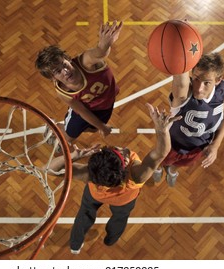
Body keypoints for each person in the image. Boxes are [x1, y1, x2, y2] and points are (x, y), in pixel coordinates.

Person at [44, 103, 181, 254]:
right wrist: (161, 130)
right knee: (120, 219)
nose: (120, 148)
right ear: (126, 164)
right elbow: (161, 153)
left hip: (94, 194)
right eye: (120, 151)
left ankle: (75, 244)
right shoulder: (136, 175)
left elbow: (49, 169)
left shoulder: (89, 174)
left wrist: (73, 156)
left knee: (84, 214)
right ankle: (111, 239)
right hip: (124, 201)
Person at [35, 20, 123, 148]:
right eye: (58, 71)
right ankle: (57, 130)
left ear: (69, 59)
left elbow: (100, 52)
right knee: (69, 136)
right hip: (83, 112)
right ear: (53, 78)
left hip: (104, 105)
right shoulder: (63, 92)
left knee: (92, 129)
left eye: (64, 65)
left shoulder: (86, 62)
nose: (65, 71)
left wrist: (105, 44)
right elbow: (82, 112)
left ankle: (58, 125)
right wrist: (102, 127)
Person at [153, 52, 224, 187]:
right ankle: (158, 168)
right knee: (160, 159)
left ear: (218, 80)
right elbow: (181, 78)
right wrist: (181, 49)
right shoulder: (184, 94)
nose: (199, 88)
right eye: (196, 79)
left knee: (180, 164)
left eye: (207, 82)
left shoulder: (221, 91)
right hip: (171, 145)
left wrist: (216, 145)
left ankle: (172, 170)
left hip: (198, 148)